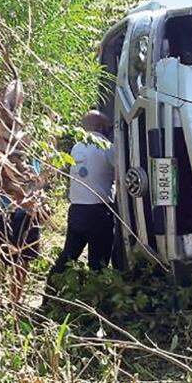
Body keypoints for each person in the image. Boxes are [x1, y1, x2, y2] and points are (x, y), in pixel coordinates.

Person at [50, 110, 116, 275]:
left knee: (68, 255)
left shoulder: (77, 147)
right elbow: (122, 172)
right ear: (101, 127)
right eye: (109, 127)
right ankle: (94, 295)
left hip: (77, 210)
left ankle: (50, 291)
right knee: (98, 262)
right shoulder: (107, 147)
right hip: (99, 212)